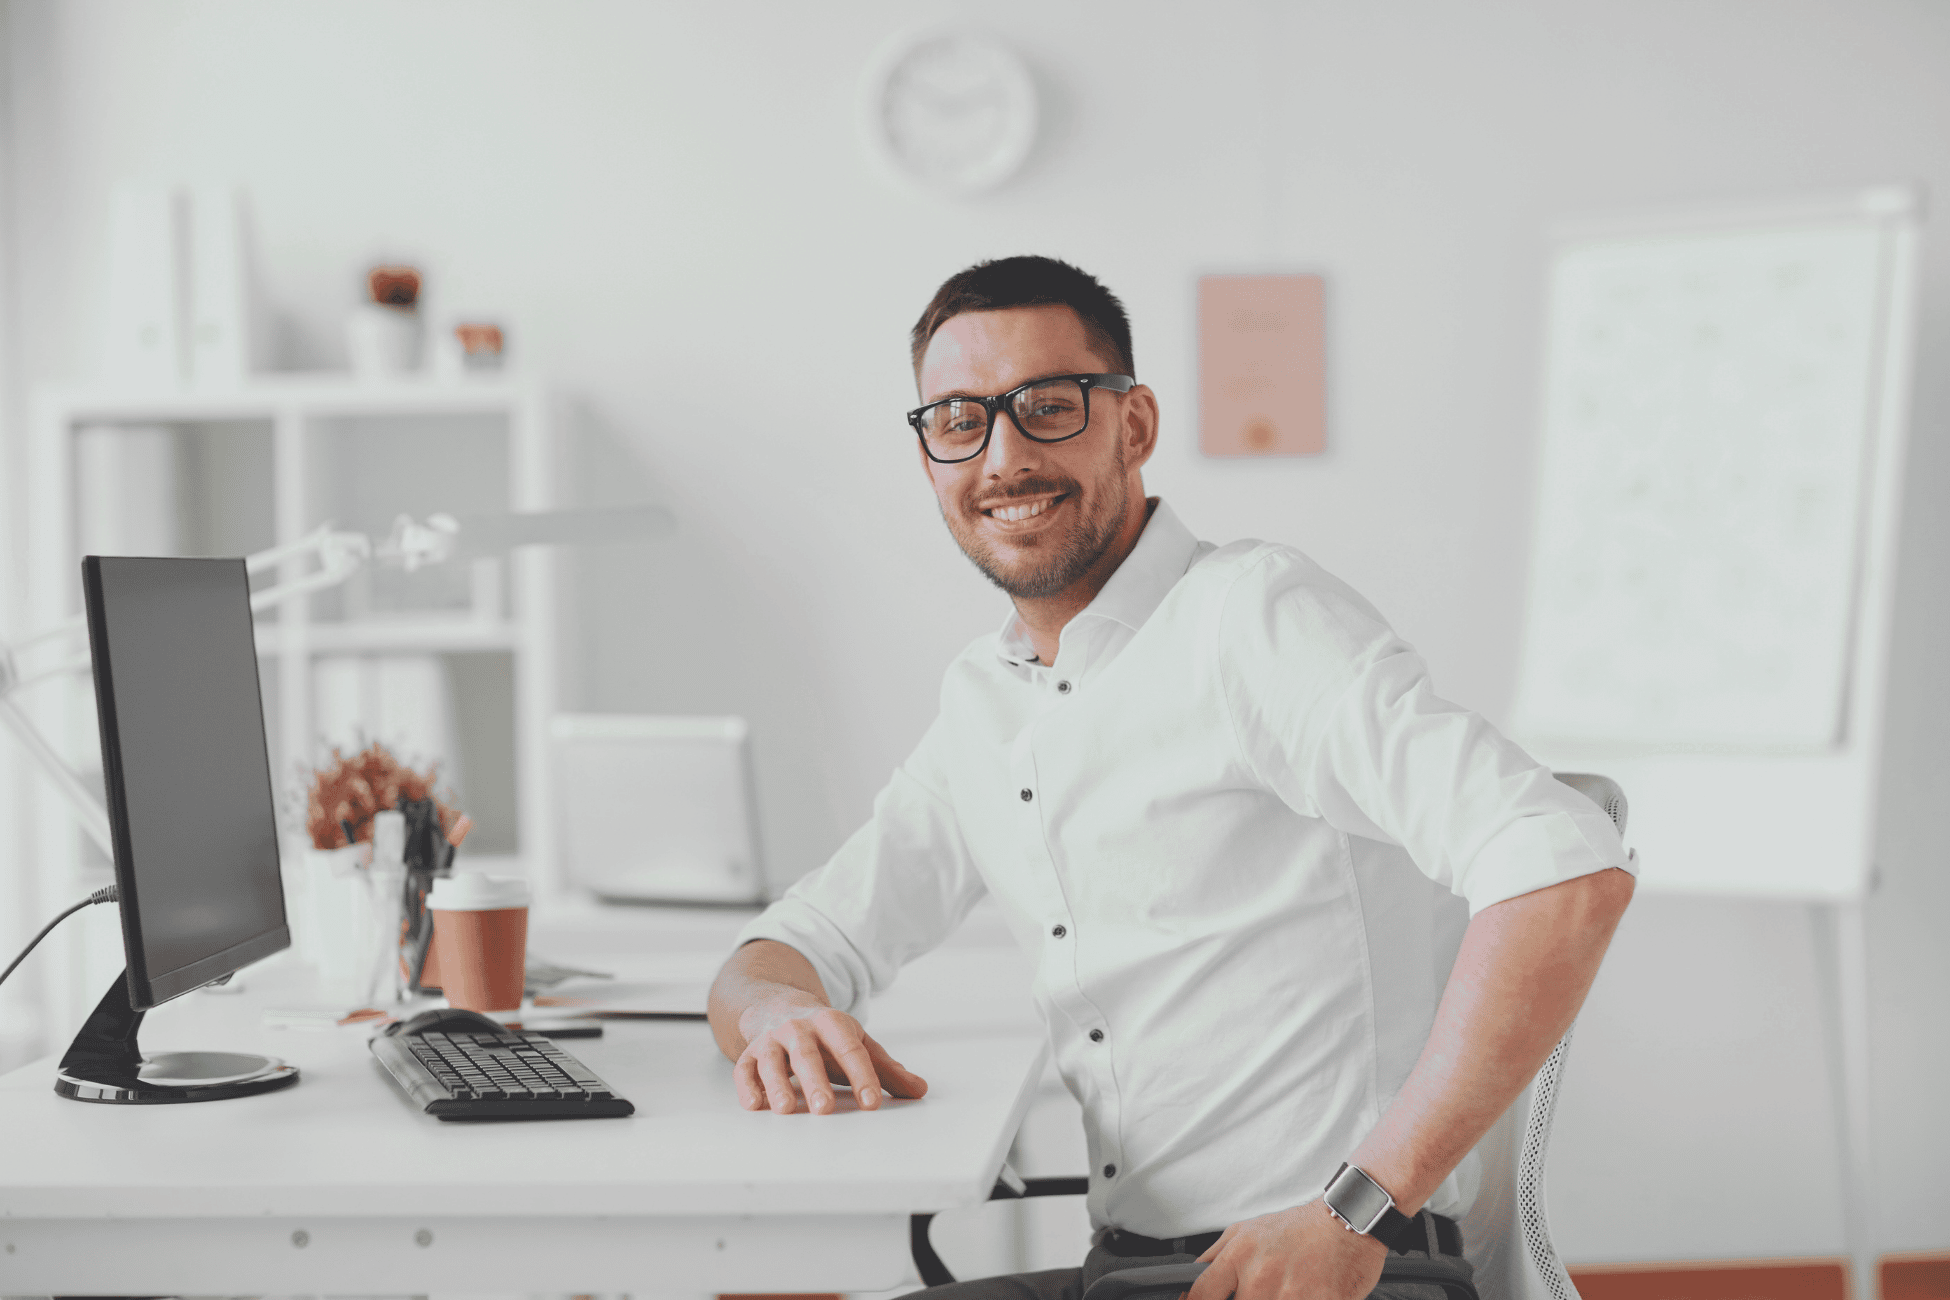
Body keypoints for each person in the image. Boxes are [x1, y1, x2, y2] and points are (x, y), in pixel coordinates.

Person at [707, 255, 1635, 1300]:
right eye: (959, 420)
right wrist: (778, 1014)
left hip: (1326, 1271)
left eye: (1046, 408)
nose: (1002, 457)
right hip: (1140, 1275)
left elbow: (1565, 866)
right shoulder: (990, 696)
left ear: (1134, 424)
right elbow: (786, 949)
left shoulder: (1251, 619)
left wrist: (1359, 1204)